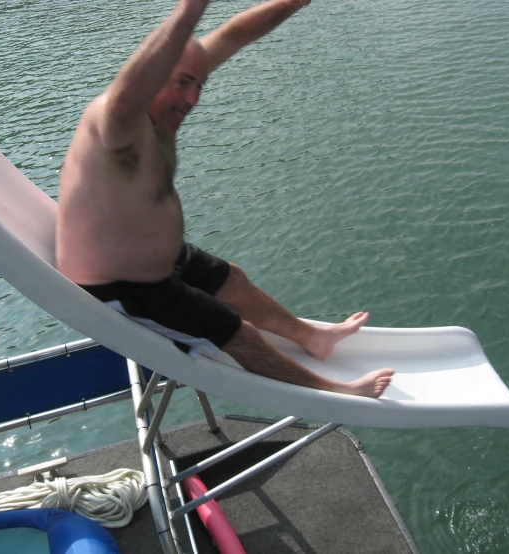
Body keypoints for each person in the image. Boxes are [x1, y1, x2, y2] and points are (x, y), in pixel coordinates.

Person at [55, 0, 394, 398]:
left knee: (231, 279)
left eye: (198, 85)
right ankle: (338, 393)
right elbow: (127, 95)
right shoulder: (118, 123)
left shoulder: (155, 109)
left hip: (148, 264)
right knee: (239, 334)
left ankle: (312, 338)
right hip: (120, 290)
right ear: (152, 78)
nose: (193, 98)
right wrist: (189, 10)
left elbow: (235, 34)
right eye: (182, 83)